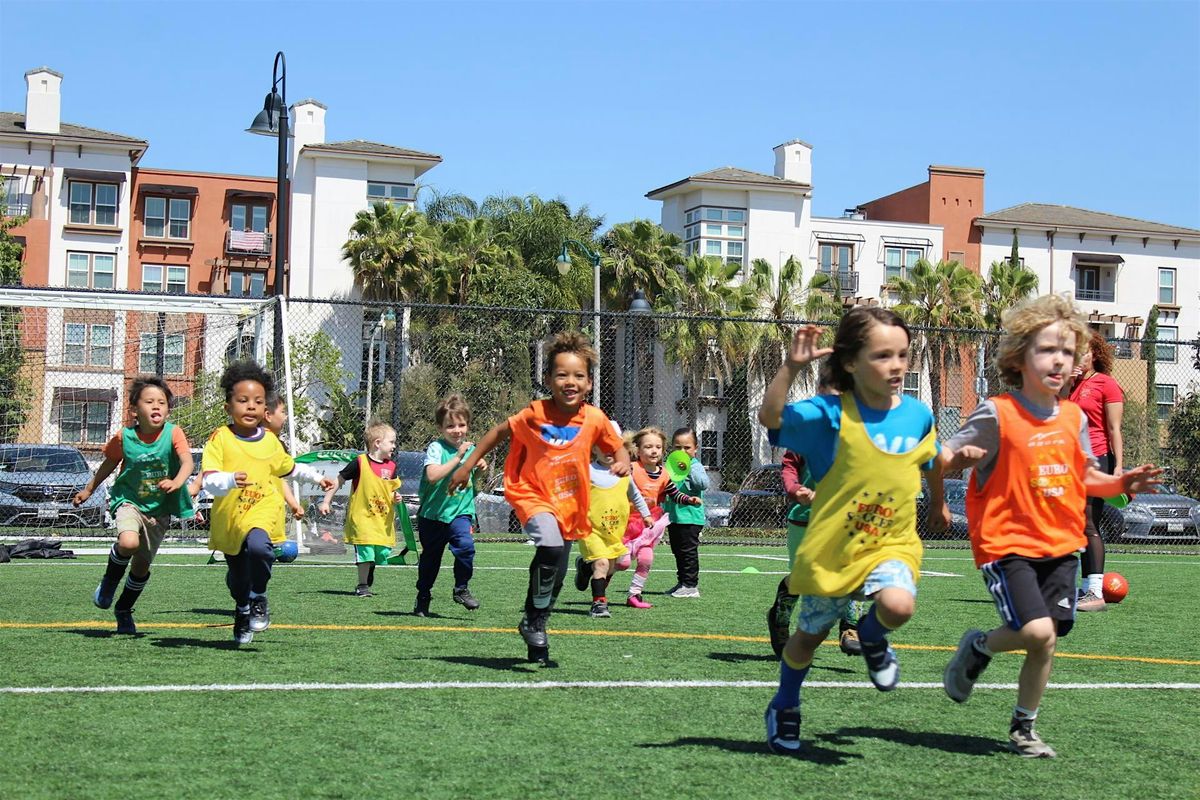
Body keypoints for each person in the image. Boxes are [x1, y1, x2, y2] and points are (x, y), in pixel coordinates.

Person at [941, 295, 1161, 758]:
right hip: (1007, 545)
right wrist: (954, 461)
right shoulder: (996, 413)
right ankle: (979, 645)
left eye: (1068, 350)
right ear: (1019, 356)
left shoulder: (1074, 417)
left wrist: (1121, 480)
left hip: (1061, 544)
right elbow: (942, 458)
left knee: (1048, 639)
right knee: (1037, 631)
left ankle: (1024, 725)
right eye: (1047, 350)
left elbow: (1085, 476)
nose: (1059, 359)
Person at [758, 307, 948, 755]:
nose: (897, 365)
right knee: (807, 639)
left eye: (902, 354)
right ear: (850, 363)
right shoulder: (828, 415)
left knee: (899, 605)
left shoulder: (918, 414)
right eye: (883, 355)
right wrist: (791, 366)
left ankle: (872, 637)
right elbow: (771, 418)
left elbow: (933, 458)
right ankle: (784, 703)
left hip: (892, 542)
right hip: (835, 549)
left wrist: (938, 503)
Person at [449, 331, 629, 665]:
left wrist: (622, 460)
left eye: (578, 376)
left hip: (569, 502)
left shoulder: (594, 418)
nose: (570, 381)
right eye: (562, 374)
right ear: (548, 379)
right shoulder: (534, 414)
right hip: (532, 493)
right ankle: (536, 618)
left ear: (589, 383)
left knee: (556, 568)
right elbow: (497, 433)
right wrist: (466, 467)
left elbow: (614, 445)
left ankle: (535, 620)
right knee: (548, 546)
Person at [201, 361, 334, 645]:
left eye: (257, 402)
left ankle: (259, 595)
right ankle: (242, 609)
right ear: (228, 407)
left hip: (262, 510)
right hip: (230, 517)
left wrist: (317, 478)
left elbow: (289, 468)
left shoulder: (271, 442)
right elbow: (209, 480)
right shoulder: (220, 438)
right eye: (243, 400)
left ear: (265, 410)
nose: (250, 406)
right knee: (237, 580)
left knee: (261, 549)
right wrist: (229, 479)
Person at [73, 376, 194, 635]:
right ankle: (109, 582)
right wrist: (88, 489)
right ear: (134, 410)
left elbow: (187, 463)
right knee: (128, 542)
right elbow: (108, 464)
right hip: (128, 502)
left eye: (162, 402)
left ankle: (124, 609)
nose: (156, 406)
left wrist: (177, 481)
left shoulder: (174, 433)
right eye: (149, 401)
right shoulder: (124, 437)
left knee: (141, 568)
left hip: (159, 511)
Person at [768, 448, 861, 658]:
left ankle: (850, 628)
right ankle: (779, 620)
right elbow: (789, 466)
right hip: (805, 519)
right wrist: (795, 489)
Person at [1067, 330, 1124, 612]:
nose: (1081, 356)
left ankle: (1095, 592)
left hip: (1097, 459)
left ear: (1096, 354)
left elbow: (1114, 429)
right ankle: (1086, 587)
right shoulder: (1070, 385)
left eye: (1086, 351)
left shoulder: (1106, 384)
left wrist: (1118, 468)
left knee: (1089, 523)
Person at [414, 394, 485, 616]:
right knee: (430, 561)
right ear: (440, 427)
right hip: (433, 515)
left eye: (461, 425)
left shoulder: (471, 450)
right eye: (450, 426)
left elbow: (472, 484)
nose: (457, 430)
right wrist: (458, 458)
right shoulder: (436, 448)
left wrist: (479, 470)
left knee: (466, 547)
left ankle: (461, 588)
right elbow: (433, 475)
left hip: (460, 513)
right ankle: (423, 596)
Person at [573, 421, 653, 618]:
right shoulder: (587, 471)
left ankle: (584, 567)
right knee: (601, 564)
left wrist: (646, 514)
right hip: (591, 530)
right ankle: (599, 604)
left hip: (614, 530)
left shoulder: (624, 472)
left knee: (611, 566)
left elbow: (635, 496)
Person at [318, 422, 405, 598]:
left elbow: (392, 489)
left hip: (382, 520)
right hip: (362, 519)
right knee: (365, 552)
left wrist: (396, 496)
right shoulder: (360, 462)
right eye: (392, 442)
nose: (394, 446)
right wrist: (326, 501)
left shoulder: (391, 467)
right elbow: (339, 480)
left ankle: (371, 566)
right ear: (377, 443)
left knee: (382, 553)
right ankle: (362, 585)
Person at [621, 426, 701, 608]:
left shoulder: (664, 474)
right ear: (637, 450)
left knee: (646, 558)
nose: (654, 450)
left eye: (658, 447)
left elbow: (674, 493)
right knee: (622, 562)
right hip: (625, 523)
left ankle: (634, 595)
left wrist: (690, 500)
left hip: (648, 525)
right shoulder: (631, 469)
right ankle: (595, 579)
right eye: (648, 446)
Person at [663, 427, 709, 598]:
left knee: (688, 552)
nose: (682, 451)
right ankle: (682, 582)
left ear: (695, 449)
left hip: (690, 517)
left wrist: (687, 467)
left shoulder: (695, 466)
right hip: (674, 516)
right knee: (678, 551)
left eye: (687, 448)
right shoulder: (670, 464)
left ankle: (691, 585)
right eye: (677, 447)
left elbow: (703, 484)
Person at [263, 393, 305, 557]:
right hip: (256, 509)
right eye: (283, 412)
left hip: (274, 510)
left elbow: (280, 480)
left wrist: (294, 504)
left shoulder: (278, 446)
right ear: (267, 415)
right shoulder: (250, 444)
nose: (286, 417)